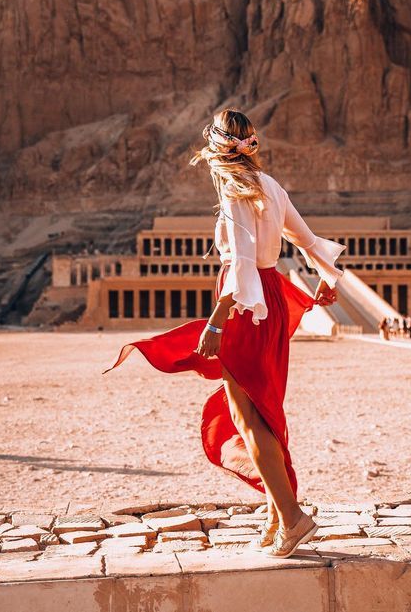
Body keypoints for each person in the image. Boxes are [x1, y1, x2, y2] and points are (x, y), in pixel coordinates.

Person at [102, 109, 346, 559]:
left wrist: (217, 320)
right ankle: (278, 514)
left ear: (216, 150)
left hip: (246, 306)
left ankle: (293, 518)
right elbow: (308, 240)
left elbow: (241, 261)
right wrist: (328, 280)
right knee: (264, 409)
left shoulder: (236, 191)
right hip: (270, 298)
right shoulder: (270, 186)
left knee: (247, 418)